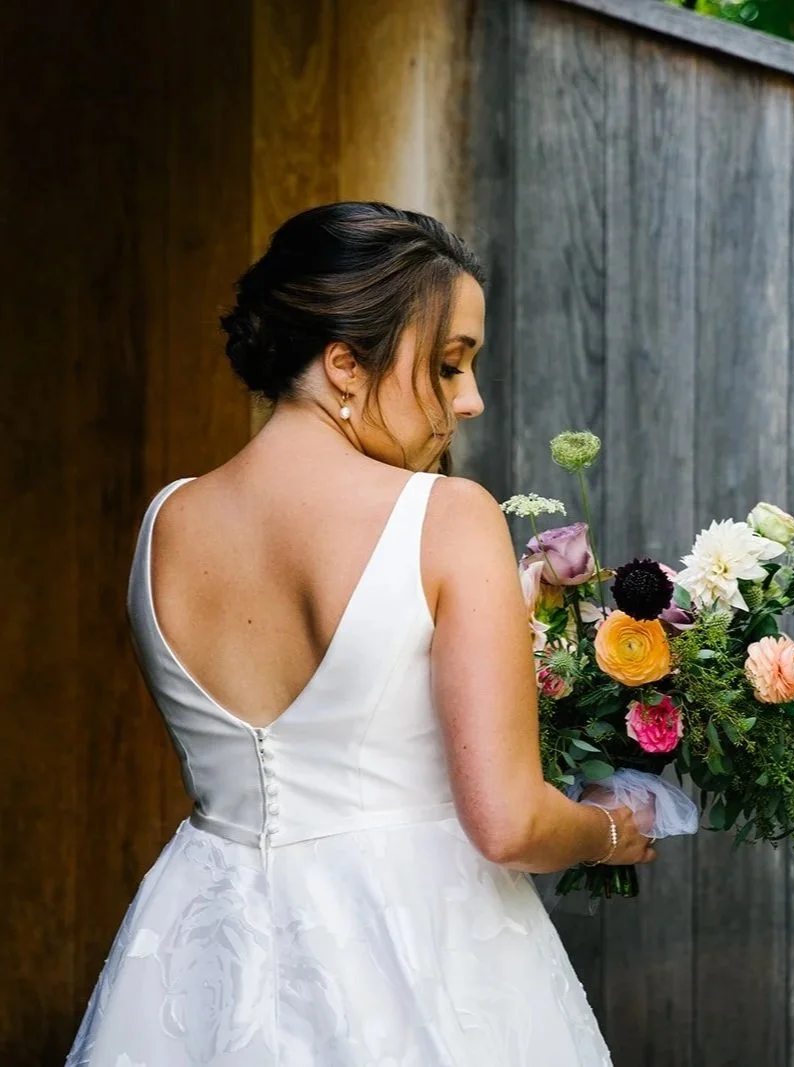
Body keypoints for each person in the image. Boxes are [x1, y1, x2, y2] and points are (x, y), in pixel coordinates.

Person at [66, 202, 655, 1066]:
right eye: (450, 366)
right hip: (414, 949)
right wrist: (611, 827)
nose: (471, 400)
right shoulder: (447, 518)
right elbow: (507, 822)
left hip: (200, 954)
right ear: (344, 363)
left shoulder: (166, 523)